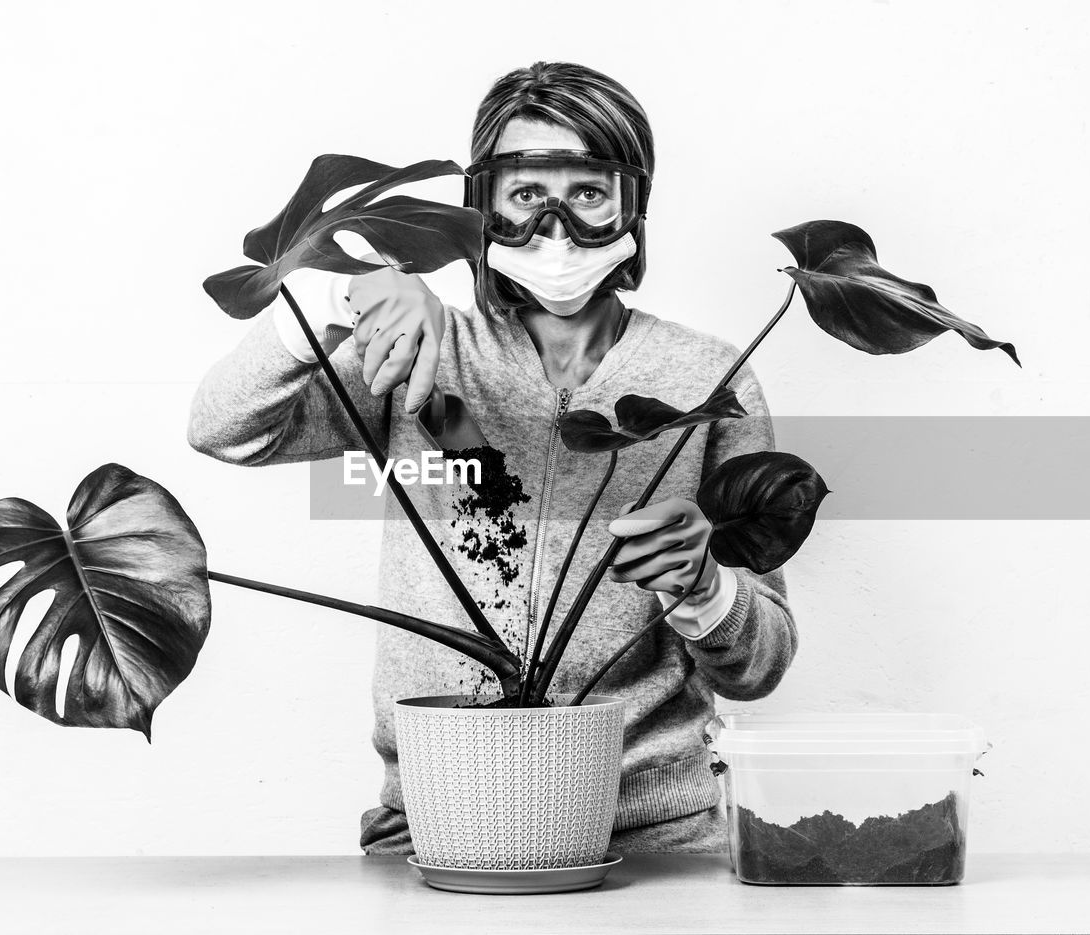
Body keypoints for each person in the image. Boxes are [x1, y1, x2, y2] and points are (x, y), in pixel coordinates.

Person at [188, 61, 797, 855]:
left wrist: (704, 585)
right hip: (435, 822)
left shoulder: (709, 380)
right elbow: (223, 426)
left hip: (657, 836)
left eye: (587, 192)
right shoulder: (415, 348)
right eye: (524, 194)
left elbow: (760, 666)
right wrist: (349, 295)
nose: (555, 228)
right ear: (483, 205)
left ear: (633, 205)